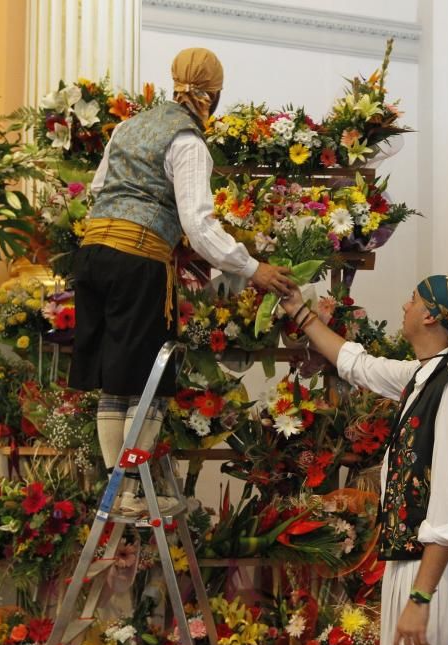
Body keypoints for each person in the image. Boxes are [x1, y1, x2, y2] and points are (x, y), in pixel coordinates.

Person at [69, 47, 296, 515]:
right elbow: (198, 224)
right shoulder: (188, 141)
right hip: (137, 263)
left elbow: (97, 190)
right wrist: (253, 268)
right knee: (145, 376)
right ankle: (128, 492)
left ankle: (116, 489)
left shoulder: (129, 127)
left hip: (92, 255)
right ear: (213, 94)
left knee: (115, 379)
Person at [280, 275, 448, 645]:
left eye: (413, 299)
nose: (405, 306)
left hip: (441, 571)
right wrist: (299, 311)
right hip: (417, 561)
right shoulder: (427, 375)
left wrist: (421, 597)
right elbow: (359, 365)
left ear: (433, 315)